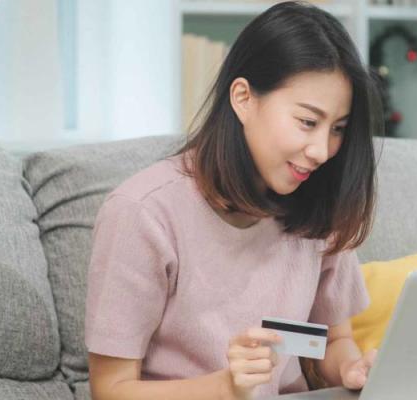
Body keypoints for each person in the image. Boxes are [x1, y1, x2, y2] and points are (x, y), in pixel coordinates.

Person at [84, 2, 384, 399]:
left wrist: (352, 368)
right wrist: (225, 387)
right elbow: (111, 390)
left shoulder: (316, 204)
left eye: (338, 129)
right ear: (243, 98)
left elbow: (329, 343)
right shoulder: (143, 213)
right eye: (308, 122)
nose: (322, 150)